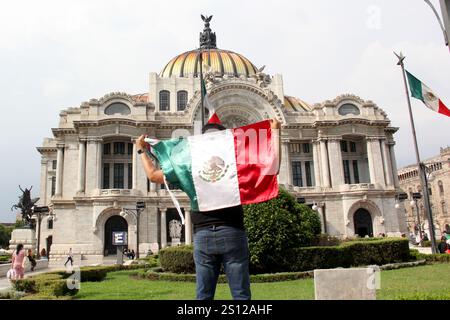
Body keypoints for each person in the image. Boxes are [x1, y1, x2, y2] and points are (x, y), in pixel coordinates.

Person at [137, 118, 281, 300]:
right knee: (241, 295)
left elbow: (152, 175)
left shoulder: (189, 164)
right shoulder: (237, 158)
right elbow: (273, 167)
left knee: (203, 296)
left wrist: (141, 149)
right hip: (233, 232)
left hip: (203, 236)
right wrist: (275, 131)